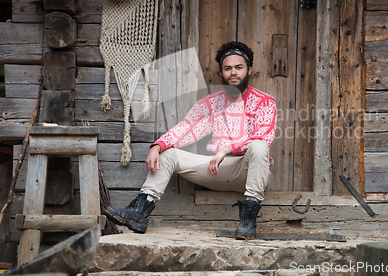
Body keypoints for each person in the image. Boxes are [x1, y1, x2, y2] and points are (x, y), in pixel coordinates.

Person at [103, 41, 277, 240]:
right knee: (168, 154)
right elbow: (185, 129)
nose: (233, 73)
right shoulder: (211, 103)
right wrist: (158, 146)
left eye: (239, 67)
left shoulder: (265, 101)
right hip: (216, 170)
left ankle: (248, 221)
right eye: (227, 68)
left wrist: (226, 149)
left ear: (249, 70)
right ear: (221, 73)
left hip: (248, 172)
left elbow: (264, 136)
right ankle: (140, 212)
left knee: (259, 146)